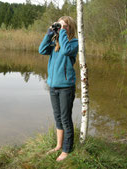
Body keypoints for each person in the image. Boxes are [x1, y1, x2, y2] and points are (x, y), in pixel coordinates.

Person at [38, 16, 78, 161]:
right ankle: (59, 145)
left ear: (70, 28)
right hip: (53, 87)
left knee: (66, 119)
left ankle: (67, 150)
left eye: (64, 26)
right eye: (59, 26)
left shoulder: (73, 43)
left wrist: (61, 32)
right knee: (58, 118)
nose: (61, 28)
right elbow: (42, 50)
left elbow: (67, 51)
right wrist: (49, 34)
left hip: (66, 87)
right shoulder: (56, 44)